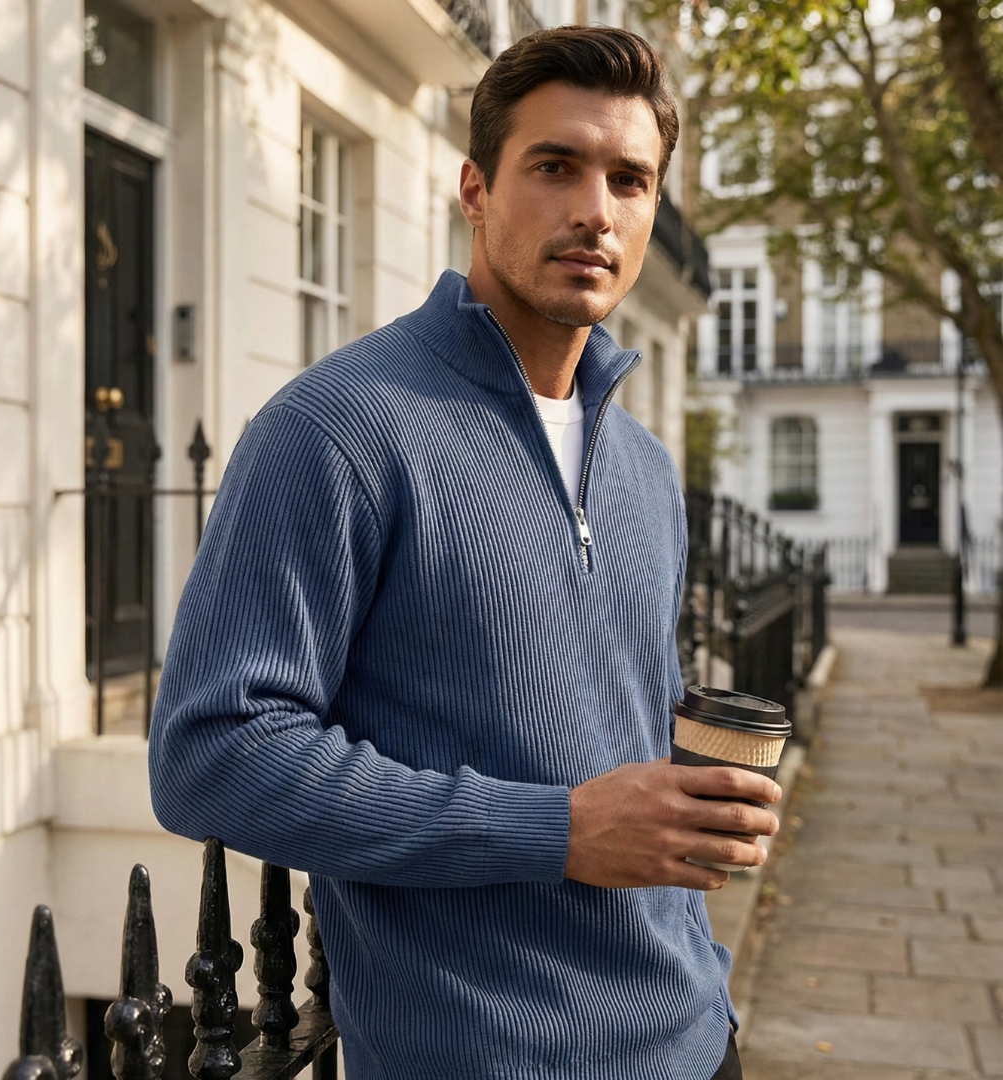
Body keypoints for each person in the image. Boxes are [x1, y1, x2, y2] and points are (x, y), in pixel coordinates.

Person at [149, 25, 780, 1080]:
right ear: (475, 190)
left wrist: (686, 820)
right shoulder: (336, 428)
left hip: (690, 1040)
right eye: (555, 166)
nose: (595, 208)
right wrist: (557, 830)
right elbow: (211, 756)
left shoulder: (646, 469)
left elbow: (602, 719)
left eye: (629, 179)